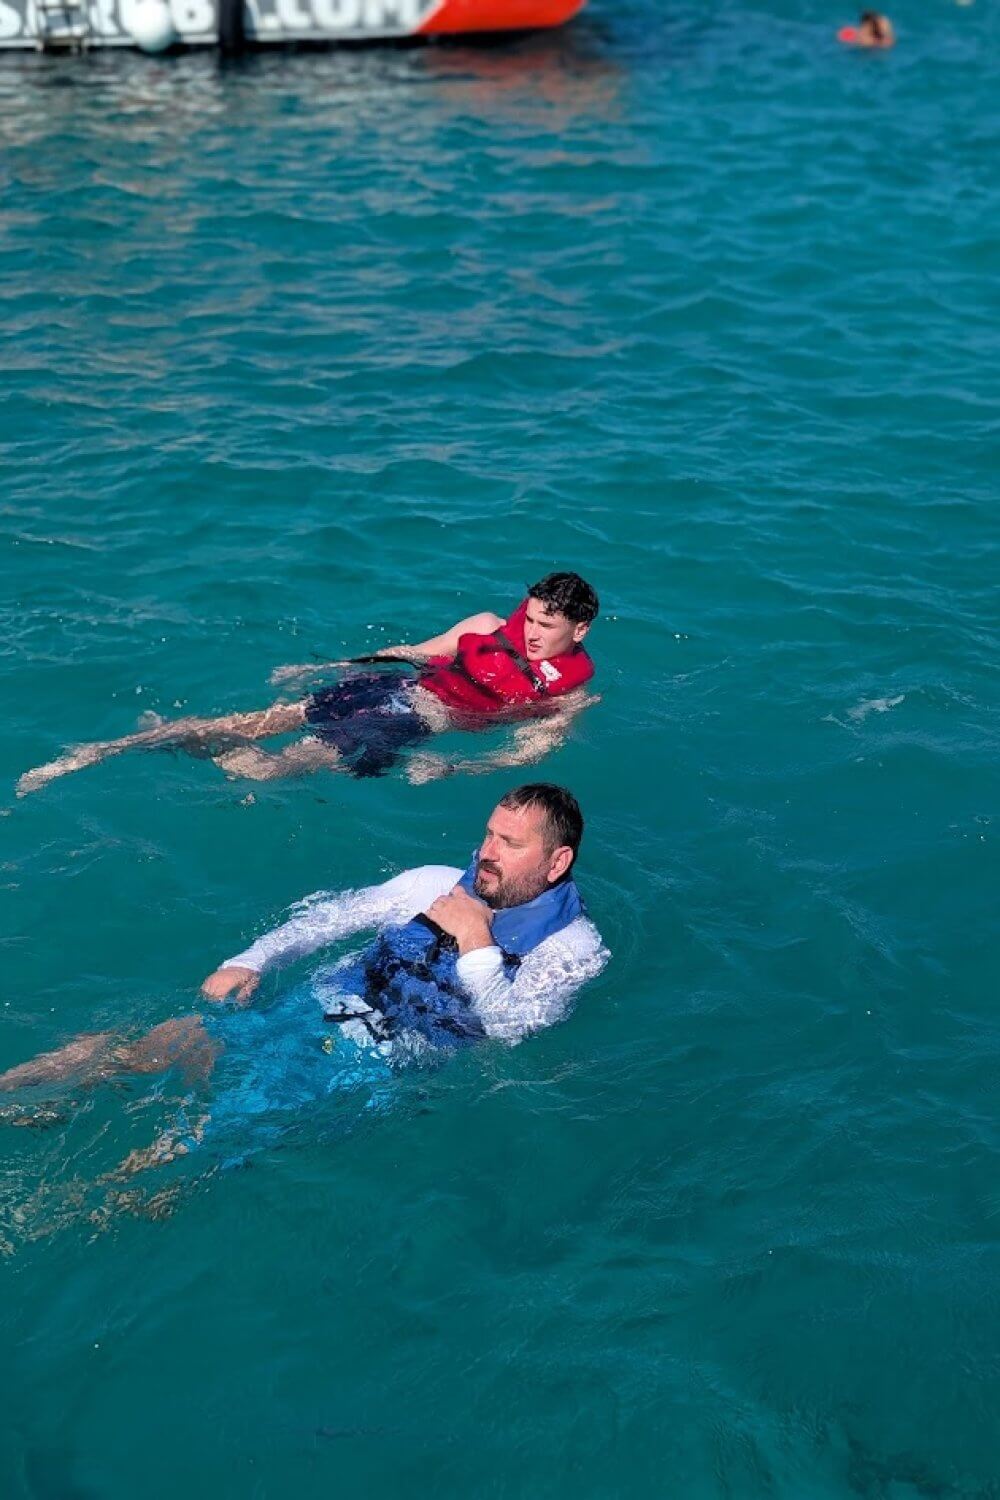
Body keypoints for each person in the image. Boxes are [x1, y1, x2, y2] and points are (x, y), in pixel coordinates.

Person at [0, 787, 609, 1137]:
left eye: (511, 843)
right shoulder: (433, 881)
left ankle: (55, 1213)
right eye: (488, 835)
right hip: (310, 1008)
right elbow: (331, 917)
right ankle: (16, 1094)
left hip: (365, 1068)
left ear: (556, 863)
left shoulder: (575, 952)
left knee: (189, 1142)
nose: (487, 853)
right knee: (147, 1045)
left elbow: (507, 1036)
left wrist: (477, 943)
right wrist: (250, 959)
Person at [15, 572, 600, 796]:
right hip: (389, 693)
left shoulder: (568, 696)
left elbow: (527, 755)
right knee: (259, 729)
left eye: (547, 628)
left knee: (278, 763)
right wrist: (334, 667)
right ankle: (104, 752)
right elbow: (413, 652)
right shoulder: (487, 625)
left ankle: (164, 744)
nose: (531, 634)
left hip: (417, 719)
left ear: (579, 629)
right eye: (531, 619)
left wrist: (453, 769)